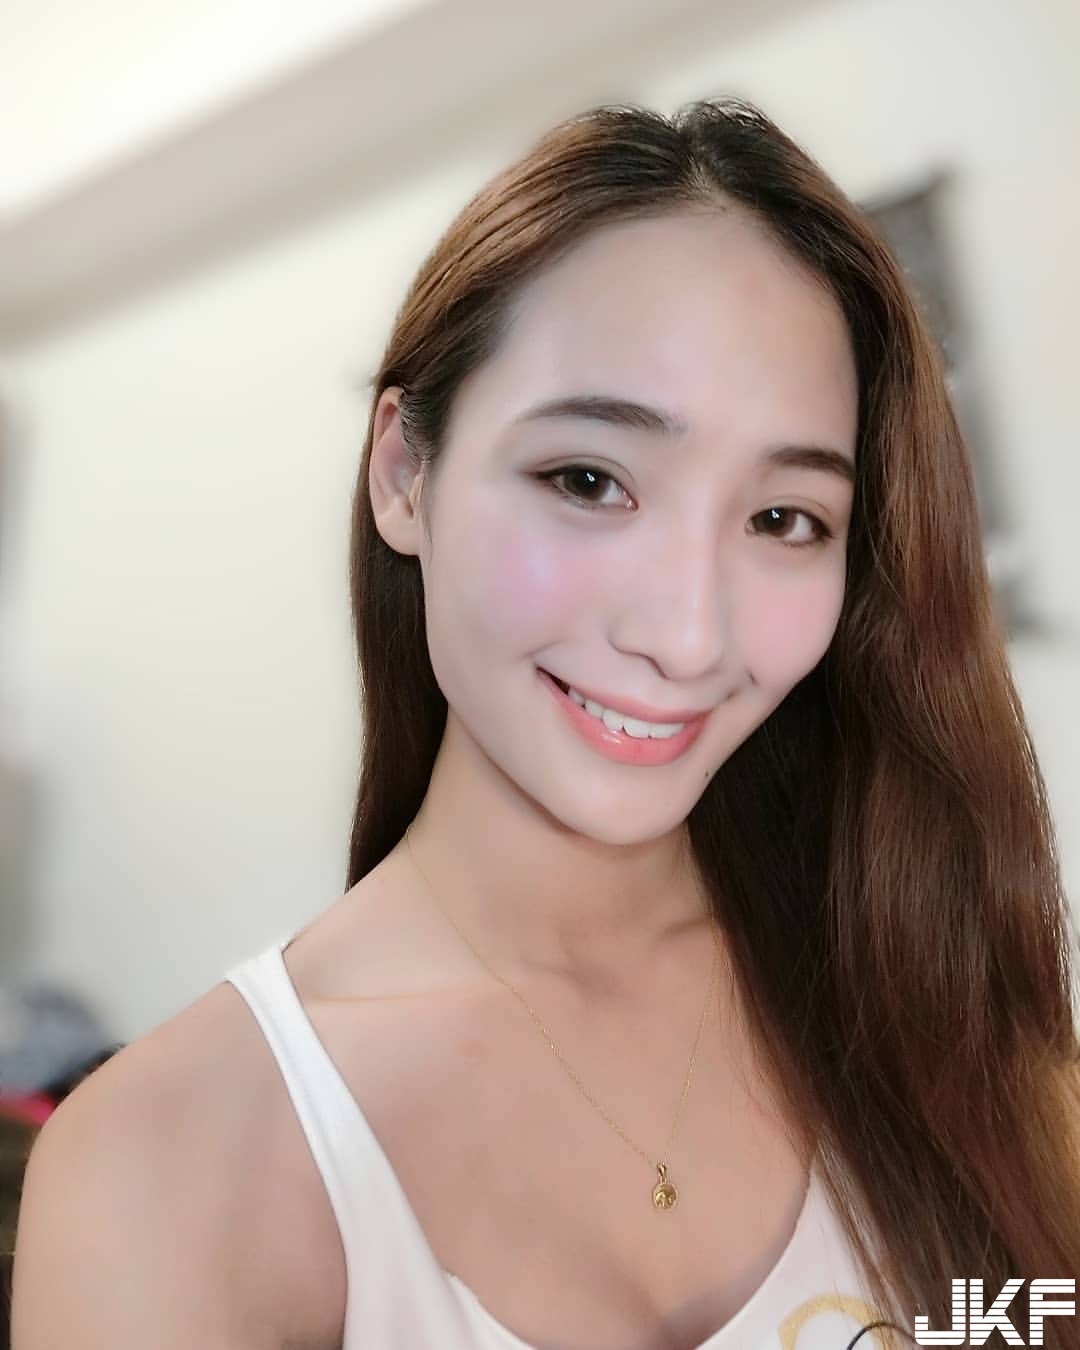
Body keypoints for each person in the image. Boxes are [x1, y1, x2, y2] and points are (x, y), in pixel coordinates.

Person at [10, 97, 1080, 1350]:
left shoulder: (926, 991)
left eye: (783, 519)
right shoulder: (172, 1164)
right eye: (589, 480)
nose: (688, 635)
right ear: (404, 474)